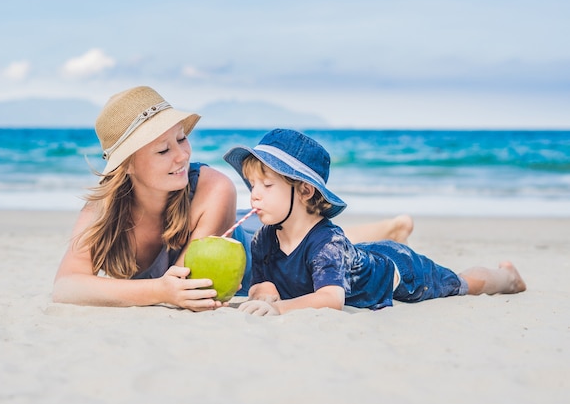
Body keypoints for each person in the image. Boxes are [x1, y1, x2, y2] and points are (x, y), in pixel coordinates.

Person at [52, 86, 415, 311]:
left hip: (249, 240)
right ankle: (389, 228)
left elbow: (194, 285)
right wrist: (158, 291)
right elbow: (66, 286)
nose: (182, 156)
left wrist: (159, 291)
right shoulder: (104, 209)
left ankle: (389, 230)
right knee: (316, 240)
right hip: (251, 223)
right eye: (163, 150)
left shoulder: (213, 188)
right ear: (127, 166)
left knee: (312, 241)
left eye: (181, 139)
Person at [223, 129, 527, 316]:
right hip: (359, 256)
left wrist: (279, 308)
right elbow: (266, 283)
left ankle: (507, 277)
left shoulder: (327, 242)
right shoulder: (264, 237)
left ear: (304, 190)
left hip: (401, 271)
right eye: (252, 185)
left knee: (460, 284)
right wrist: (261, 293)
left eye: (267, 185)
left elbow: (331, 299)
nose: (254, 196)